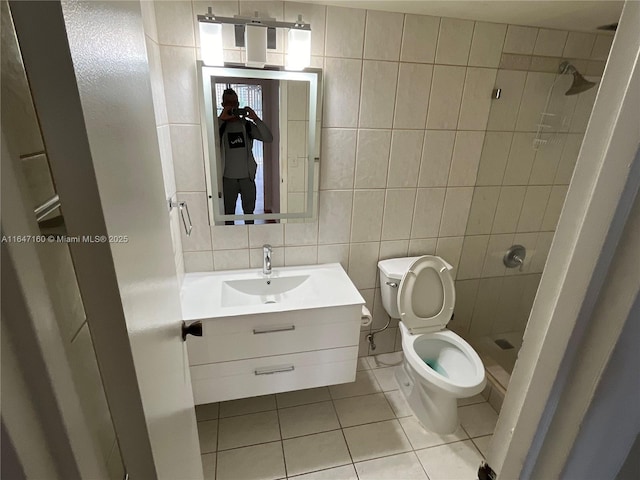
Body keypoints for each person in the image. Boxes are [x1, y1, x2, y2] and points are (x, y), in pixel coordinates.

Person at [218, 88, 273, 225]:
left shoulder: (246, 125)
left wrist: (255, 118)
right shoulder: (218, 126)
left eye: (234, 102)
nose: (232, 106)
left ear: (238, 104)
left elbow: (268, 138)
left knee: (249, 215)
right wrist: (220, 120)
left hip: (247, 178)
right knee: (228, 215)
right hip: (227, 179)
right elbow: (207, 141)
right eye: (228, 103)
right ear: (222, 105)